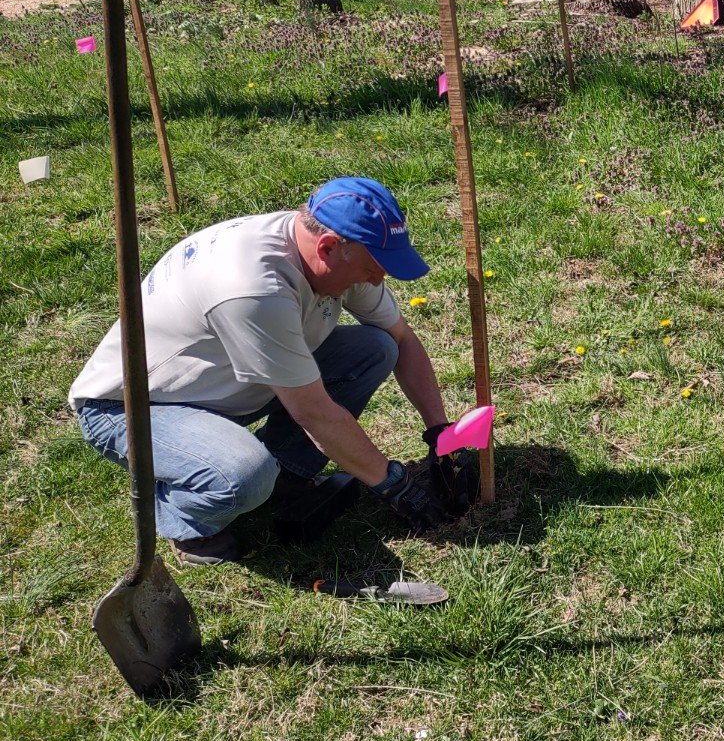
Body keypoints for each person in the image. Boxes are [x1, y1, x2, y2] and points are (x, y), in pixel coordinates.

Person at [70, 176, 469, 565]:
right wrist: (395, 485)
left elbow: (401, 339)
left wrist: (439, 432)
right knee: (243, 473)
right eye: (373, 269)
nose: (377, 279)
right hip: (134, 407)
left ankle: (287, 474)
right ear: (328, 248)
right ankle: (189, 519)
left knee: (375, 348)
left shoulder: (339, 249)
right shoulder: (253, 287)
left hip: (228, 381)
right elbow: (312, 411)